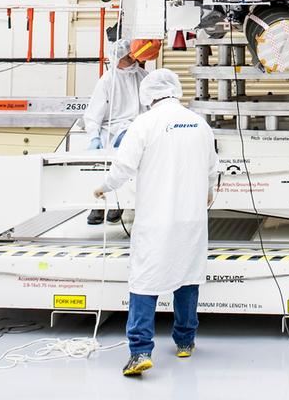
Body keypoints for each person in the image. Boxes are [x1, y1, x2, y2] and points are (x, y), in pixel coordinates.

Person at [93, 68, 218, 377]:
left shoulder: (144, 123)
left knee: (144, 281)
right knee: (187, 278)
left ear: (148, 95)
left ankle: (140, 352)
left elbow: (124, 166)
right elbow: (212, 168)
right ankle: (185, 342)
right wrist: (209, 192)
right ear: (175, 91)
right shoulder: (199, 123)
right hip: (191, 219)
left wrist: (104, 187)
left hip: (156, 220)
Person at [83, 38, 157, 225]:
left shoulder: (143, 76)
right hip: (111, 131)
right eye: (127, 58)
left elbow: (152, 106)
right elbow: (93, 114)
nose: (132, 60)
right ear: (116, 60)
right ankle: (98, 205)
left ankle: (120, 204)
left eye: (132, 56)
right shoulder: (107, 80)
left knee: (131, 169)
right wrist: (94, 137)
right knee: (105, 169)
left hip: (137, 129)